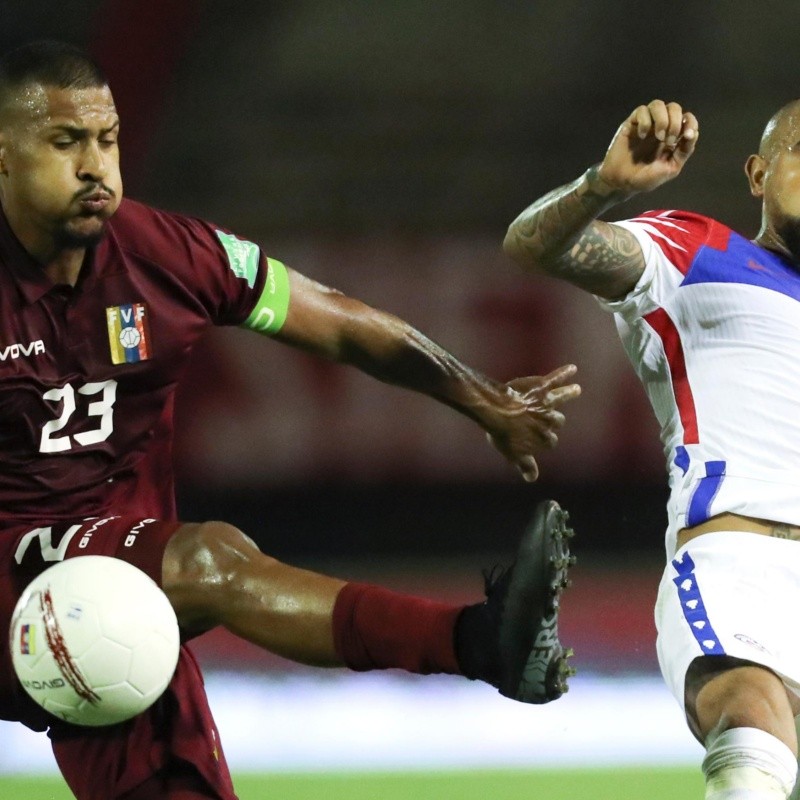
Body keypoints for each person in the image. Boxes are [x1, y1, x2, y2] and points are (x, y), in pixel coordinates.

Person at [0, 39, 581, 800]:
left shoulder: (167, 254)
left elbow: (338, 322)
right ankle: (480, 642)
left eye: (106, 140)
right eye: (65, 141)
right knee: (213, 561)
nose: (95, 166)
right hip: (23, 580)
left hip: (121, 600)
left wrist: (481, 398)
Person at [502, 97, 800, 799]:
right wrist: (601, 188)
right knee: (753, 723)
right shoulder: (696, 251)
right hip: (743, 562)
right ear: (759, 174)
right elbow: (535, 246)